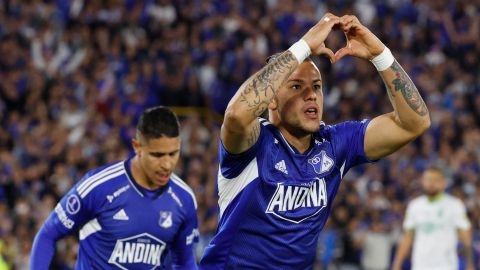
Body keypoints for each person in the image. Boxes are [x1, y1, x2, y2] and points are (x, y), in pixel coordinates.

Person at [199, 13, 431, 269]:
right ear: (271, 99)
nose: (311, 96)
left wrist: (380, 54)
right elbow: (235, 115)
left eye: (317, 86)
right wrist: (304, 46)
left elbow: (414, 123)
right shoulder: (253, 144)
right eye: (297, 87)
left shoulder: (335, 143)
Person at [30, 106, 199, 269]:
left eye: (173, 153)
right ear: (137, 147)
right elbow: (47, 236)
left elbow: (184, 263)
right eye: (157, 155)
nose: (167, 165)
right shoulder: (99, 187)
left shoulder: (184, 199)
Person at [392, 167, 473, 270]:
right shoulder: (415, 205)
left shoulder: (454, 205)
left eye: (436, 179)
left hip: (446, 265)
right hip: (420, 265)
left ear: (444, 183)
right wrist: (397, 263)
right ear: (422, 181)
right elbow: (407, 237)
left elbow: (466, 237)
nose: (431, 183)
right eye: (428, 179)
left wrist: (470, 264)